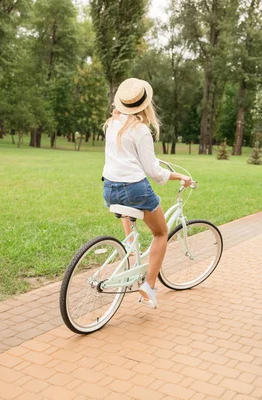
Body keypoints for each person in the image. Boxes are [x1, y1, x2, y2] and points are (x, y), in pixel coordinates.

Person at [102, 78, 191, 309]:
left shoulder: (112, 123)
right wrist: (178, 176)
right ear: (145, 105)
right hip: (134, 189)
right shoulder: (140, 130)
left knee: (131, 227)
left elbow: (125, 157)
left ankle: (131, 256)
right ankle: (148, 286)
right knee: (161, 233)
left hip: (110, 188)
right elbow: (153, 171)